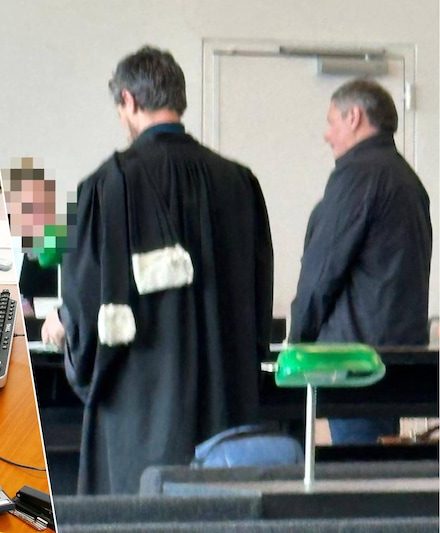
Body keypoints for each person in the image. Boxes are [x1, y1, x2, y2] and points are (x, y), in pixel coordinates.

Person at [49, 46, 273, 494]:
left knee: (141, 512)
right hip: (226, 405)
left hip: (139, 415)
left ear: (129, 100)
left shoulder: (104, 186)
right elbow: (258, 297)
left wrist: (64, 327)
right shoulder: (239, 183)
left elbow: (84, 303)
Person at [289, 78, 432, 444]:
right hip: (398, 358)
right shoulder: (407, 180)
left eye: (332, 121)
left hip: (352, 361)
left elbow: (322, 271)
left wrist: (296, 345)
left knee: (354, 465)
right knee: (376, 462)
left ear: (353, 117)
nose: (327, 135)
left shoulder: (357, 176)